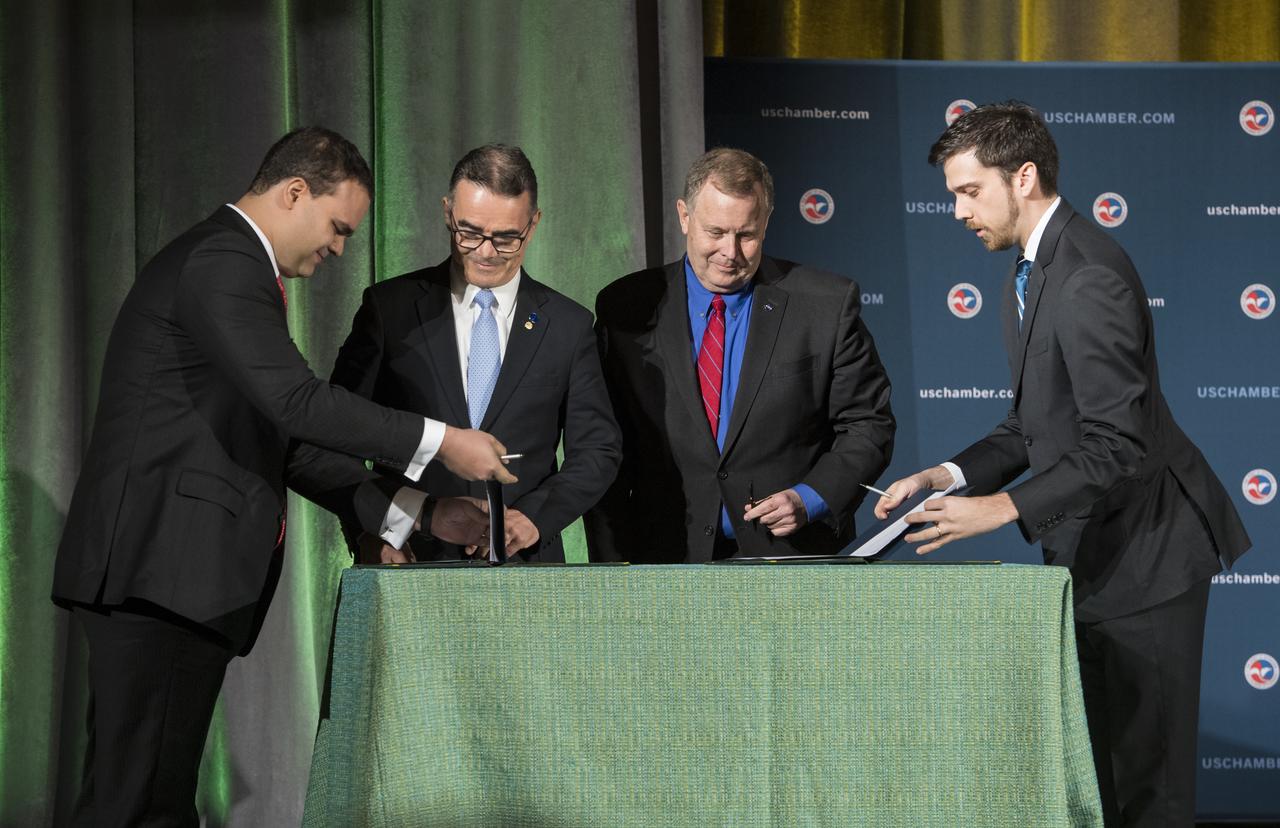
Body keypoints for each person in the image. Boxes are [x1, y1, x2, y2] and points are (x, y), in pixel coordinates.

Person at [52, 126, 516, 827]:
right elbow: (297, 403)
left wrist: (419, 512)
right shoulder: (224, 261)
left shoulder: (232, 268)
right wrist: (443, 440)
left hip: (172, 579)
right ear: (295, 192)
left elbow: (286, 442)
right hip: (157, 571)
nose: (339, 249)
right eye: (337, 228)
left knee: (151, 805)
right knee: (136, 808)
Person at [875, 102, 1251, 827]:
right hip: (1093, 556)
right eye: (952, 194)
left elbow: (1119, 441)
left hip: (1148, 559)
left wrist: (1001, 509)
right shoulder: (1026, 272)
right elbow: (1034, 423)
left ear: (1023, 177)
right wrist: (946, 476)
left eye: (969, 191)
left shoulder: (1086, 276)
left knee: (1150, 792)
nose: (957, 211)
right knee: (1100, 782)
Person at [586, 147, 895, 562]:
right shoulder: (625, 306)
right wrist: (609, 566)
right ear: (684, 216)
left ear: (766, 222)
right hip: (661, 561)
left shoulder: (826, 305)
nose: (730, 252)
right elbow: (601, 443)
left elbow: (868, 424)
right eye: (715, 232)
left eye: (746, 235)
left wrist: (810, 498)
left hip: (790, 560)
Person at [330, 144, 621, 562]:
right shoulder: (389, 309)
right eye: (469, 232)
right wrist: (370, 532)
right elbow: (337, 434)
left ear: (533, 225)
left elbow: (598, 451)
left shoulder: (569, 325)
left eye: (506, 238)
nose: (485, 252)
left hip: (526, 568)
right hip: (408, 559)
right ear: (448, 212)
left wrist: (535, 517)